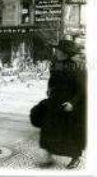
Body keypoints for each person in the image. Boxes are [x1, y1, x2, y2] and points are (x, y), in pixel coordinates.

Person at [37, 39, 86, 169]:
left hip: (70, 105)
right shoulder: (56, 64)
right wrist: (49, 88)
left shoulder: (78, 67)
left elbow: (82, 89)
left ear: (65, 52)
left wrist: (72, 103)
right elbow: (52, 80)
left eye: (58, 50)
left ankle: (75, 157)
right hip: (55, 101)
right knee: (49, 128)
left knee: (71, 132)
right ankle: (49, 156)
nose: (56, 51)